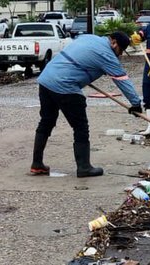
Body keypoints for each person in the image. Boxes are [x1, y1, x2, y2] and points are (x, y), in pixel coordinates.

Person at [30, 30, 143, 177]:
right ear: (113, 42)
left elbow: (80, 53)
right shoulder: (107, 55)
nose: (120, 54)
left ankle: (37, 164)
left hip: (46, 79)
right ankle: (84, 167)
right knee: (81, 127)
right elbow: (122, 80)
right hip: (65, 86)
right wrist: (136, 104)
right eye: (120, 50)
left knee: (46, 121)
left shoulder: (89, 38)